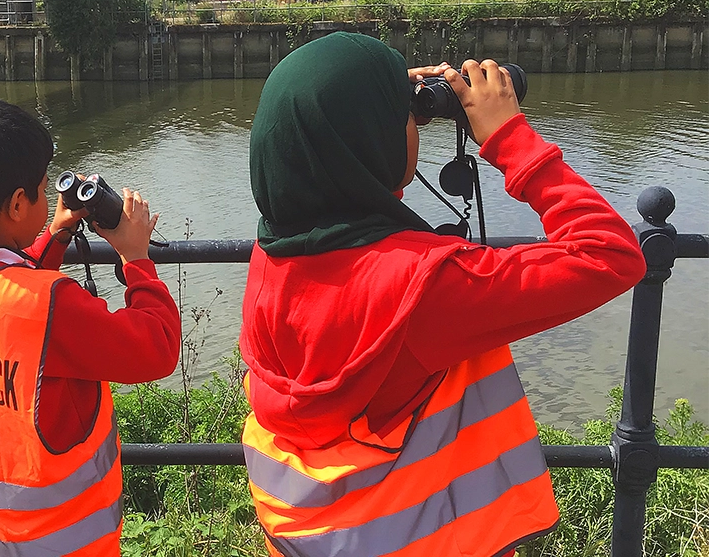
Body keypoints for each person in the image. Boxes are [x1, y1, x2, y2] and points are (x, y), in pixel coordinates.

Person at [239, 32, 647, 556]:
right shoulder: (427, 291)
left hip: (312, 537)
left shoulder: (272, 259)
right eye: (404, 117)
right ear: (373, 142)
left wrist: (375, 109)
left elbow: (348, 198)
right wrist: (510, 137)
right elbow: (610, 254)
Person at [0, 97, 181, 557]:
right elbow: (156, 348)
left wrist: (52, 235)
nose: (49, 192)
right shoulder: (51, 306)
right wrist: (137, 259)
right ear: (17, 204)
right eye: (41, 186)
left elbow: (2, 297)